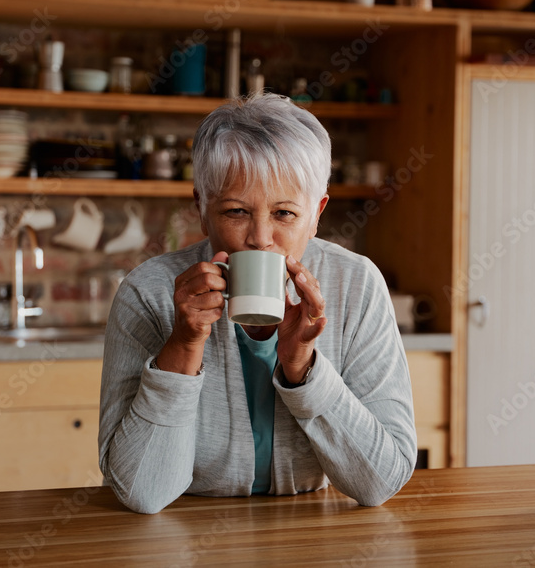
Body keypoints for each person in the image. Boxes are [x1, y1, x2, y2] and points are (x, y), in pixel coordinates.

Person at [98, 93, 416, 514]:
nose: (261, 238)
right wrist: (184, 344)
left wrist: (304, 367)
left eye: (285, 214)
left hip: (312, 535)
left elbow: (381, 481)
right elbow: (141, 491)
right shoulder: (148, 292)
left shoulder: (356, 284)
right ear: (202, 209)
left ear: (317, 213)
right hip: (186, 534)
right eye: (235, 211)